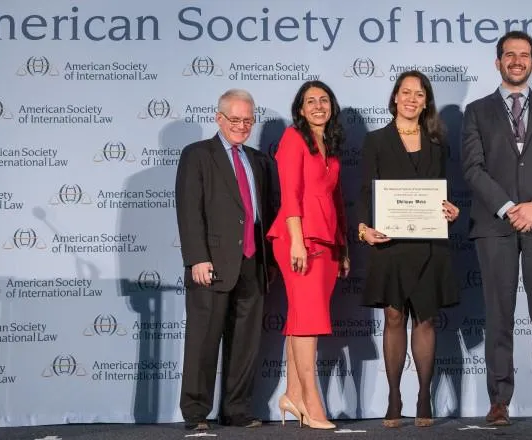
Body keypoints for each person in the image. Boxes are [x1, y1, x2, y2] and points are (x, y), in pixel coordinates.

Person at [461, 30, 532, 426]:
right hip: (496, 227)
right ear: (498, 62)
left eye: (524, 55)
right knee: (499, 315)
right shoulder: (476, 111)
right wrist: (510, 208)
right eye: (509, 55)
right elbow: (472, 168)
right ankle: (499, 402)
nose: (516, 61)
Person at [357, 70, 461, 428]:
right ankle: (394, 396)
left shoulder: (437, 143)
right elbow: (365, 193)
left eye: (419, 94)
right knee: (394, 317)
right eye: (406, 92)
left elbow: (440, 195)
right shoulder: (375, 141)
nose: (412, 99)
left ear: (426, 101)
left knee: (427, 318)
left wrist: (451, 209)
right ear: (395, 97)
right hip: (390, 243)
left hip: (430, 243)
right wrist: (361, 229)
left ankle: (423, 395)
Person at [175, 89, 278, 431]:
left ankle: (236, 410)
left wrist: (270, 263)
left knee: (245, 343)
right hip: (213, 263)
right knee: (203, 340)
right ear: (219, 118)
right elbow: (190, 211)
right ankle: (195, 412)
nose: (242, 126)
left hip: (252, 262)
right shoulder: (197, 155)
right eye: (235, 119)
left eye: (248, 120)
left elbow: (266, 213)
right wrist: (197, 258)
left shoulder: (259, 160)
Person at [266, 80, 349, 430]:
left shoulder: (330, 145)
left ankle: (292, 394)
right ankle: (311, 403)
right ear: (300, 109)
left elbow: (336, 201)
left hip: (328, 242)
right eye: (310, 101)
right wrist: (297, 241)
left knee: (302, 319)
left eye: (324, 100)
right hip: (298, 240)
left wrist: (343, 247)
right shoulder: (292, 139)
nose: (318, 106)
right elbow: (290, 194)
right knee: (308, 322)